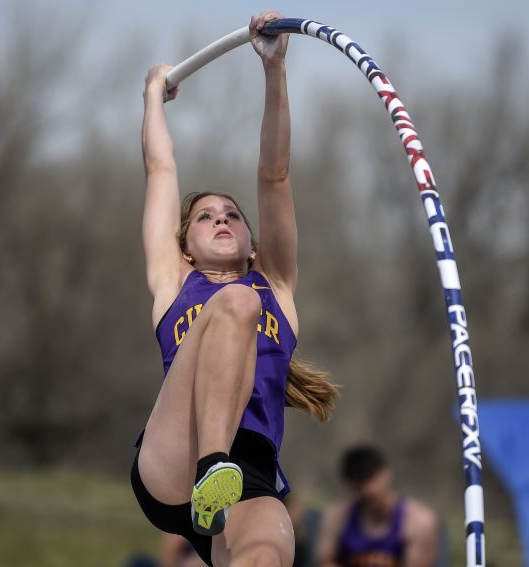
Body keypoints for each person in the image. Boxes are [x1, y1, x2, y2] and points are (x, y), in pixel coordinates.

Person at [131, 10, 338, 567]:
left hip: (250, 472)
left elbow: (275, 174)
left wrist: (275, 70)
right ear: (184, 244)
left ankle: (219, 482)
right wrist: (154, 95)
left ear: (252, 244)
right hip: (176, 460)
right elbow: (160, 171)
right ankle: (210, 470)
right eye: (204, 217)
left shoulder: (274, 285)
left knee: (268, 554)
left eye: (231, 215)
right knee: (235, 303)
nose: (221, 219)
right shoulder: (176, 282)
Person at [317, 446, 439, 567]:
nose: (366, 490)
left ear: (385, 474)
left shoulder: (419, 521)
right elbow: (325, 562)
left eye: (369, 479)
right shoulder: (337, 517)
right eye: (358, 485)